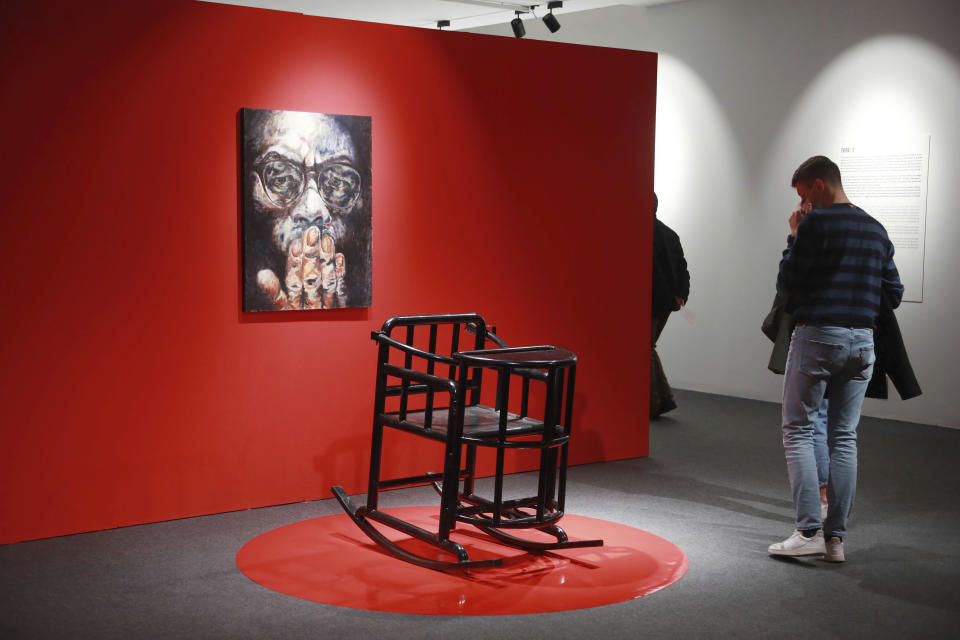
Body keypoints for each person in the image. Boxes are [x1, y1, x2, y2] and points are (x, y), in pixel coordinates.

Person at [768, 156, 903, 562]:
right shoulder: (875, 228)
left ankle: (809, 529)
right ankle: (835, 540)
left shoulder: (814, 225)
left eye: (803, 194)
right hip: (862, 343)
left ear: (819, 185)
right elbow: (893, 293)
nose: (802, 204)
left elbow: (787, 283)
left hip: (818, 338)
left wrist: (794, 235)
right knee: (844, 437)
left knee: (798, 431)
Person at [650, 193, 690, 418]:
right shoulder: (670, 234)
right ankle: (663, 399)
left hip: (652, 300)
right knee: (648, 349)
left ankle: (657, 402)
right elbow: (683, 268)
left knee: (645, 350)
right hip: (667, 302)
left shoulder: (644, 233)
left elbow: (654, 271)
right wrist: (681, 296)